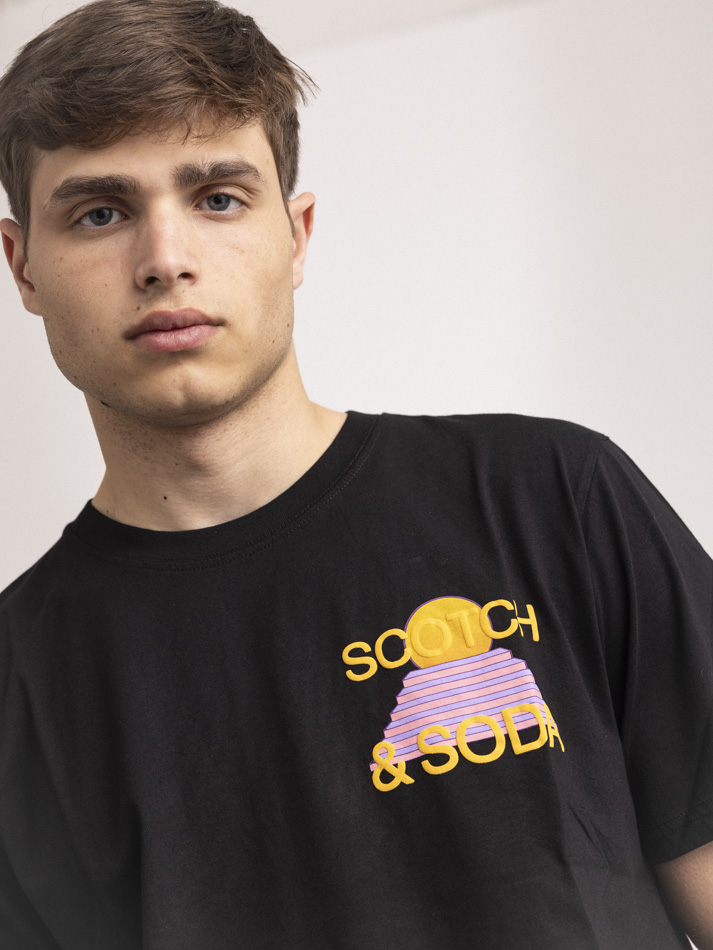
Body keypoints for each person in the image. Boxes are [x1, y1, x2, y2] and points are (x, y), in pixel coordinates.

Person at [0, 0, 710, 947]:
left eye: (218, 198)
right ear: (23, 267)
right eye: (100, 212)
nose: (165, 260)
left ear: (296, 236)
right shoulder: (16, 689)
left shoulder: (552, 498)